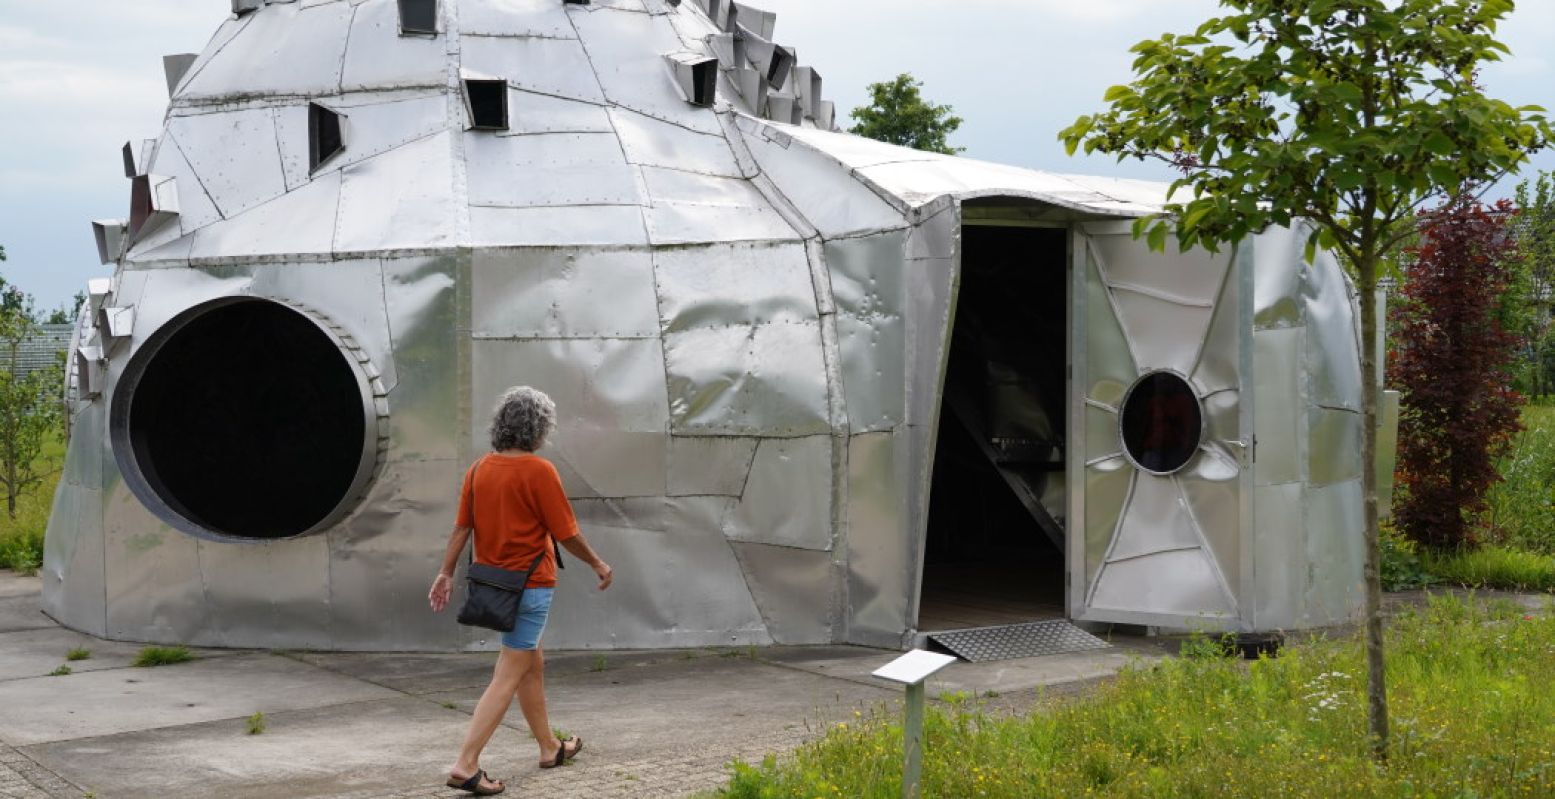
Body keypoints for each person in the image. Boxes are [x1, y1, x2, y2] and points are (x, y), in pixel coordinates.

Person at [428, 386, 614, 796]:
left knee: (532, 662)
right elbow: (567, 533)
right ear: (538, 428)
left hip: (494, 586)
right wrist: (598, 563)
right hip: (530, 586)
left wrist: (446, 572)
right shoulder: (539, 471)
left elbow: (462, 527)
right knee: (509, 672)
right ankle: (466, 763)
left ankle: (549, 747)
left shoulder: (478, 469)